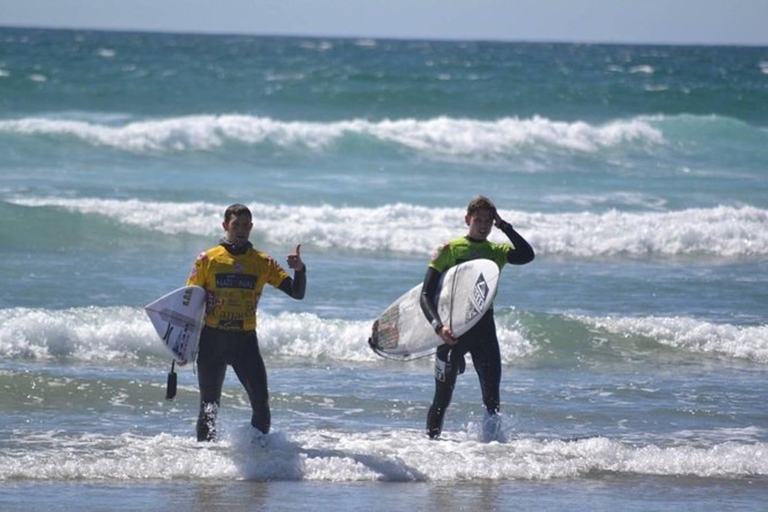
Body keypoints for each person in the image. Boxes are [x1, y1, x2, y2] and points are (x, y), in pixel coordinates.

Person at [186, 203, 306, 442]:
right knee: (209, 408)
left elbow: (296, 293)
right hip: (212, 340)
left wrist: (300, 270)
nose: (240, 230)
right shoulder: (207, 260)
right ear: (225, 226)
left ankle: (257, 461)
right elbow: (188, 304)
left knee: (261, 404)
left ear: (251, 227)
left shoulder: (262, 262)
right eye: (235, 225)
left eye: (245, 225)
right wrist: (182, 346)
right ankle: (204, 466)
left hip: (245, 342)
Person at [419, 196, 534, 439]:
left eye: (488, 221)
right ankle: (430, 447)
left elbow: (527, 255)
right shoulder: (449, 250)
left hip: (484, 331)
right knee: (442, 399)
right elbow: (425, 295)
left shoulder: (496, 252)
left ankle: (490, 453)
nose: (483, 225)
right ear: (467, 219)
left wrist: (505, 226)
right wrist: (439, 329)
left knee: (492, 401)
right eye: (477, 219)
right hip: (452, 333)